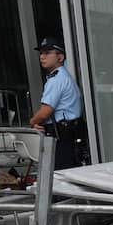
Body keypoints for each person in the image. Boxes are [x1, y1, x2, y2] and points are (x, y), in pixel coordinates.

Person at [29, 36, 88, 170]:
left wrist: (33, 122)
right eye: (41, 53)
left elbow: (45, 113)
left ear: (60, 58)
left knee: (62, 175)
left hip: (63, 134)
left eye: (48, 53)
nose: (42, 57)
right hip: (68, 132)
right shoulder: (61, 77)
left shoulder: (57, 79)